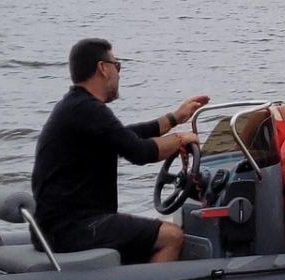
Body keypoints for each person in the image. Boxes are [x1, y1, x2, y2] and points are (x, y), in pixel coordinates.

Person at [30, 37, 208, 264]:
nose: (119, 73)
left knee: (148, 232)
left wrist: (174, 118)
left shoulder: (76, 106)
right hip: (72, 229)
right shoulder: (87, 108)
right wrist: (181, 139)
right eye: (117, 65)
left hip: (58, 226)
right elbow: (140, 152)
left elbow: (124, 136)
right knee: (171, 236)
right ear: (103, 68)